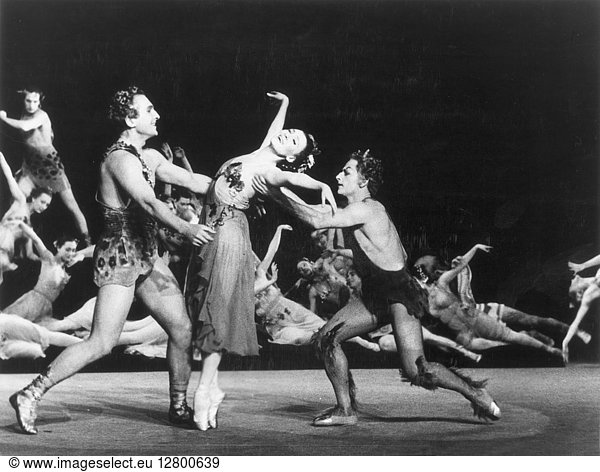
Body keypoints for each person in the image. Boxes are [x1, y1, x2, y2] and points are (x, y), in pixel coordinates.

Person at [9, 85, 215, 435]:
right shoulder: (120, 159)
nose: (157, 114)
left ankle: (178, 406)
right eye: (149, 109)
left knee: (181, 329)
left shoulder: (147, 156)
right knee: (102, 341)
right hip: (120, 255)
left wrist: (240, 187)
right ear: (129, 117)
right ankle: (30, 392)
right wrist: (186, 227)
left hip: (145, 253)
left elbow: (194, 180)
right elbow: (149, 203)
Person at [256, 149, 500, 426]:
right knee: (326, 339)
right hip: (374, 295)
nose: (338, 175)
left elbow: (316, 220)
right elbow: (317, 213)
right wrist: (276, 188)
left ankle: (475, 392)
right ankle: (345, 411)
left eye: (347, 171)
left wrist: (272, 188)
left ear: (363, 181)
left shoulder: (369, 208)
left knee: (417, 371)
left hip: (399, 295)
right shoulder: (352, 211)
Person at [184, 91, 336, 431]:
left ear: (293, 156)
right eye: (290, 131)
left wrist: (320, 183)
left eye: (293, 140)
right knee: (207, 307)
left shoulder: (268, 170)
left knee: (216, 309)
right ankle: (211, 387)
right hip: (213, 230)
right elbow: (275, 130)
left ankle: (204, 389)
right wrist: (284, 104)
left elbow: (292, 178)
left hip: (228, 236)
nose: (287, 134)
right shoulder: (261, 151)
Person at [413, 249, 564, 357]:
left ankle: (548, 347)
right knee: (502, 345)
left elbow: (462, 275)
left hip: (476, 315)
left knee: (513, 332)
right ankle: (531, 338)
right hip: (463, 333)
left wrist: (476, 248)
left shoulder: (443, 282)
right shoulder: (424, 302)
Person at [254, 225, 379, 351]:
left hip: (294, 311)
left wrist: (278, 229)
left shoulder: (260, 272)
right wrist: (272, 281)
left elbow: (272, 251)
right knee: (300, 338)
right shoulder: (243, 291)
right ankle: (327, 340)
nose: (303, 269)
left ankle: (360, 341)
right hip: (277, 324)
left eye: (304, 265)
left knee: (325, 328)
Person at [0, 87, 90, 243]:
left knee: (72, 206)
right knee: (16, 200)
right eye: (28, 101)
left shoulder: (42, 115)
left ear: (40, 102)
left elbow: (25, 127)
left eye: (35, 101)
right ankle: (6, 241)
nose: (31, 105)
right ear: (23, 100)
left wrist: (3, 118)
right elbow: (28, 143)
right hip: (31, 166)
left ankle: (88, 240)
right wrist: (24, 166)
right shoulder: (24, 114)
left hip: (50, 166)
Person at [345, 268, 482, 363]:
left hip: (396, 322)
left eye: (352, 275)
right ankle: (419, 351)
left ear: (360, 277)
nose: (348, 278)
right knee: (385, 344)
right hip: (379, 334)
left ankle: (467, 353)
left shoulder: (374, 291)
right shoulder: (352, 299)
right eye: (347, 276)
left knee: (431, 337)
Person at [2, 224, 92, 324]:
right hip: (32, 302)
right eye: (67, 249)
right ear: (58, 247)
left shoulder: (66, 272)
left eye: (73, 250)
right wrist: (21, 224)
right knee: (10, 324)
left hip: (47, 308)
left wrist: (80, 256)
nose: (70, 253)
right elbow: (36, 240)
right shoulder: (49, 259)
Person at [1, 151, 53, 261]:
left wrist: (47, 262)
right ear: (34, 198)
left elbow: (30, 254)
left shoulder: (29, 226)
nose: (44, 207)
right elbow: (9, 176)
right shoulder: (20, 201)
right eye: (42, 202)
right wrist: (1, 156)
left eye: (47, 205)